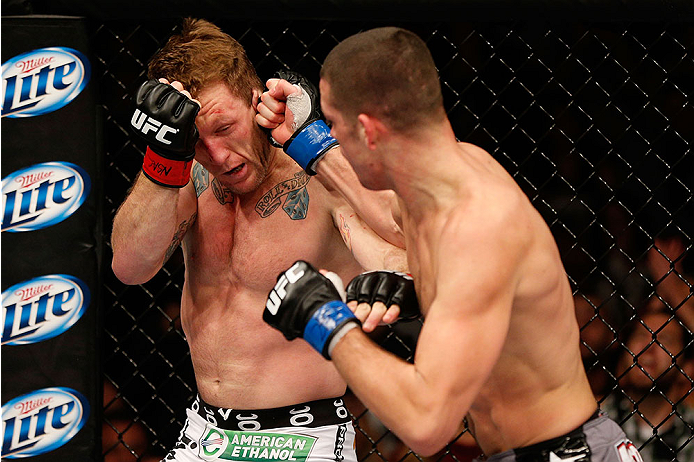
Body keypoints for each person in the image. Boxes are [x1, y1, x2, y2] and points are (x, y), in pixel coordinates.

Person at [257, 27, 646, 461]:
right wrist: (303, 138)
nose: (330, 134)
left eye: (332, 124)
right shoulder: (441, 177)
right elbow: (388, 214)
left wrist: (324, 319)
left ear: (368, 132)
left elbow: (426, 422)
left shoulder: (477, 225)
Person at [111, 18, 409, 462]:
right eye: (196, 139)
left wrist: (314, 142)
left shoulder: (321, 178)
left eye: (225, 127)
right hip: (204, 433)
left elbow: (402, 241)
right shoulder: (186, 175)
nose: (217, 155)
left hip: (305, 437)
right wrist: (163, 154)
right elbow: (130, 267)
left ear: (256, 101)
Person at [602, 308, 693, 462]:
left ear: (685, 368)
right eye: (640, 336)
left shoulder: (689, 429)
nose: (648, 347)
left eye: (664, 339)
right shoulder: (598, 424)